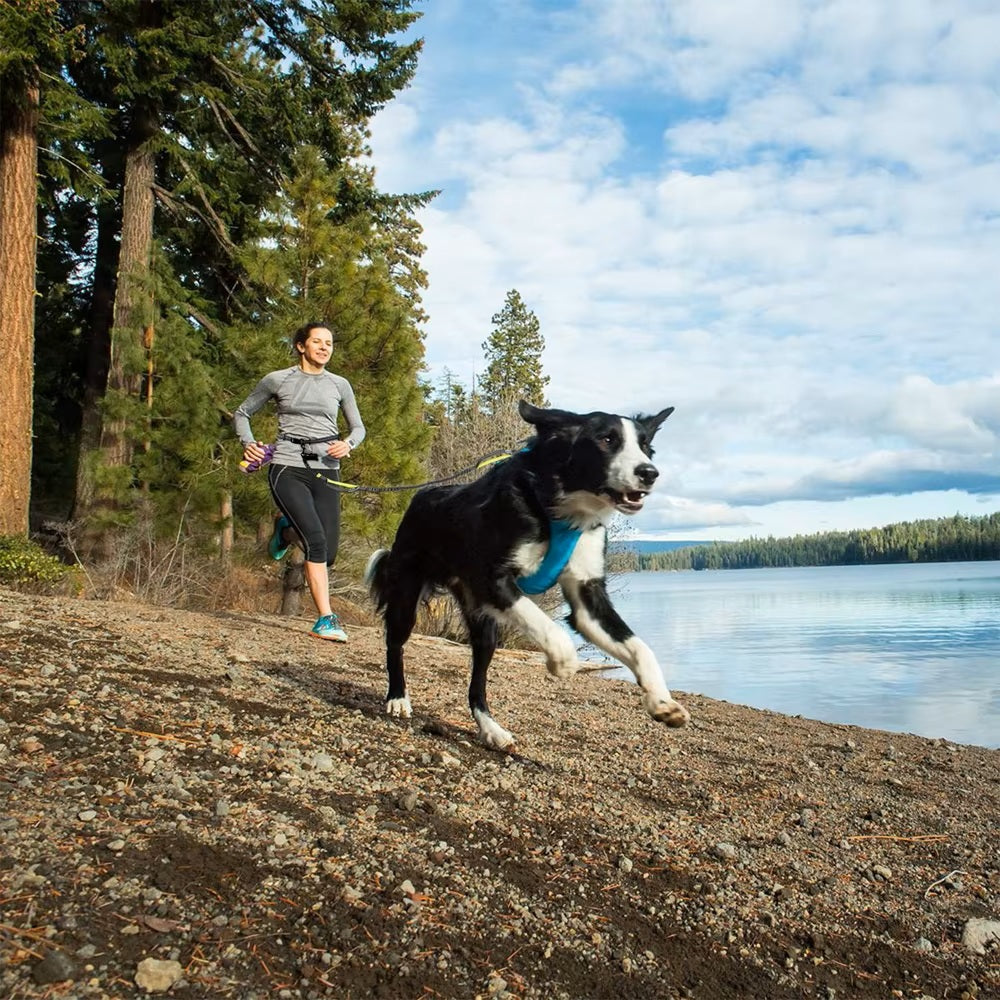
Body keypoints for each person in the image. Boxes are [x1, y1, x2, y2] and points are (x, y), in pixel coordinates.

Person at [234, 322, 366, 642]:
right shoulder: (278, 379)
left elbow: (358, 428)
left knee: (328, 552)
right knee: (317, 541)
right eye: (317, 342)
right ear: (301, 346)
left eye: (329, 343)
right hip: (287, 466)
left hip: (327, 469)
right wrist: (248, 443)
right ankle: (325, 618)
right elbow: (242, 413)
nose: (324, 347)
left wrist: (348, 444)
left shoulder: (340, 384)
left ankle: (286, 530)